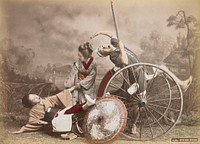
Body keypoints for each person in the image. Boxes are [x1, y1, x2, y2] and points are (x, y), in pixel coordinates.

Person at [12, 87, 95, 137]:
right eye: (34, 98)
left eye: (35, 95)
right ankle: (87, 104)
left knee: (71, 110)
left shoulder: (46, 100)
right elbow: (32, 122)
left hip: (60, 113)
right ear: (31, 103)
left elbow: (57, 96)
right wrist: (22, 129)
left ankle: (92, 103)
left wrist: (73, 87)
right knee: (70, 112)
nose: (37, 97)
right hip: (56, 121)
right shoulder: (33, 111)